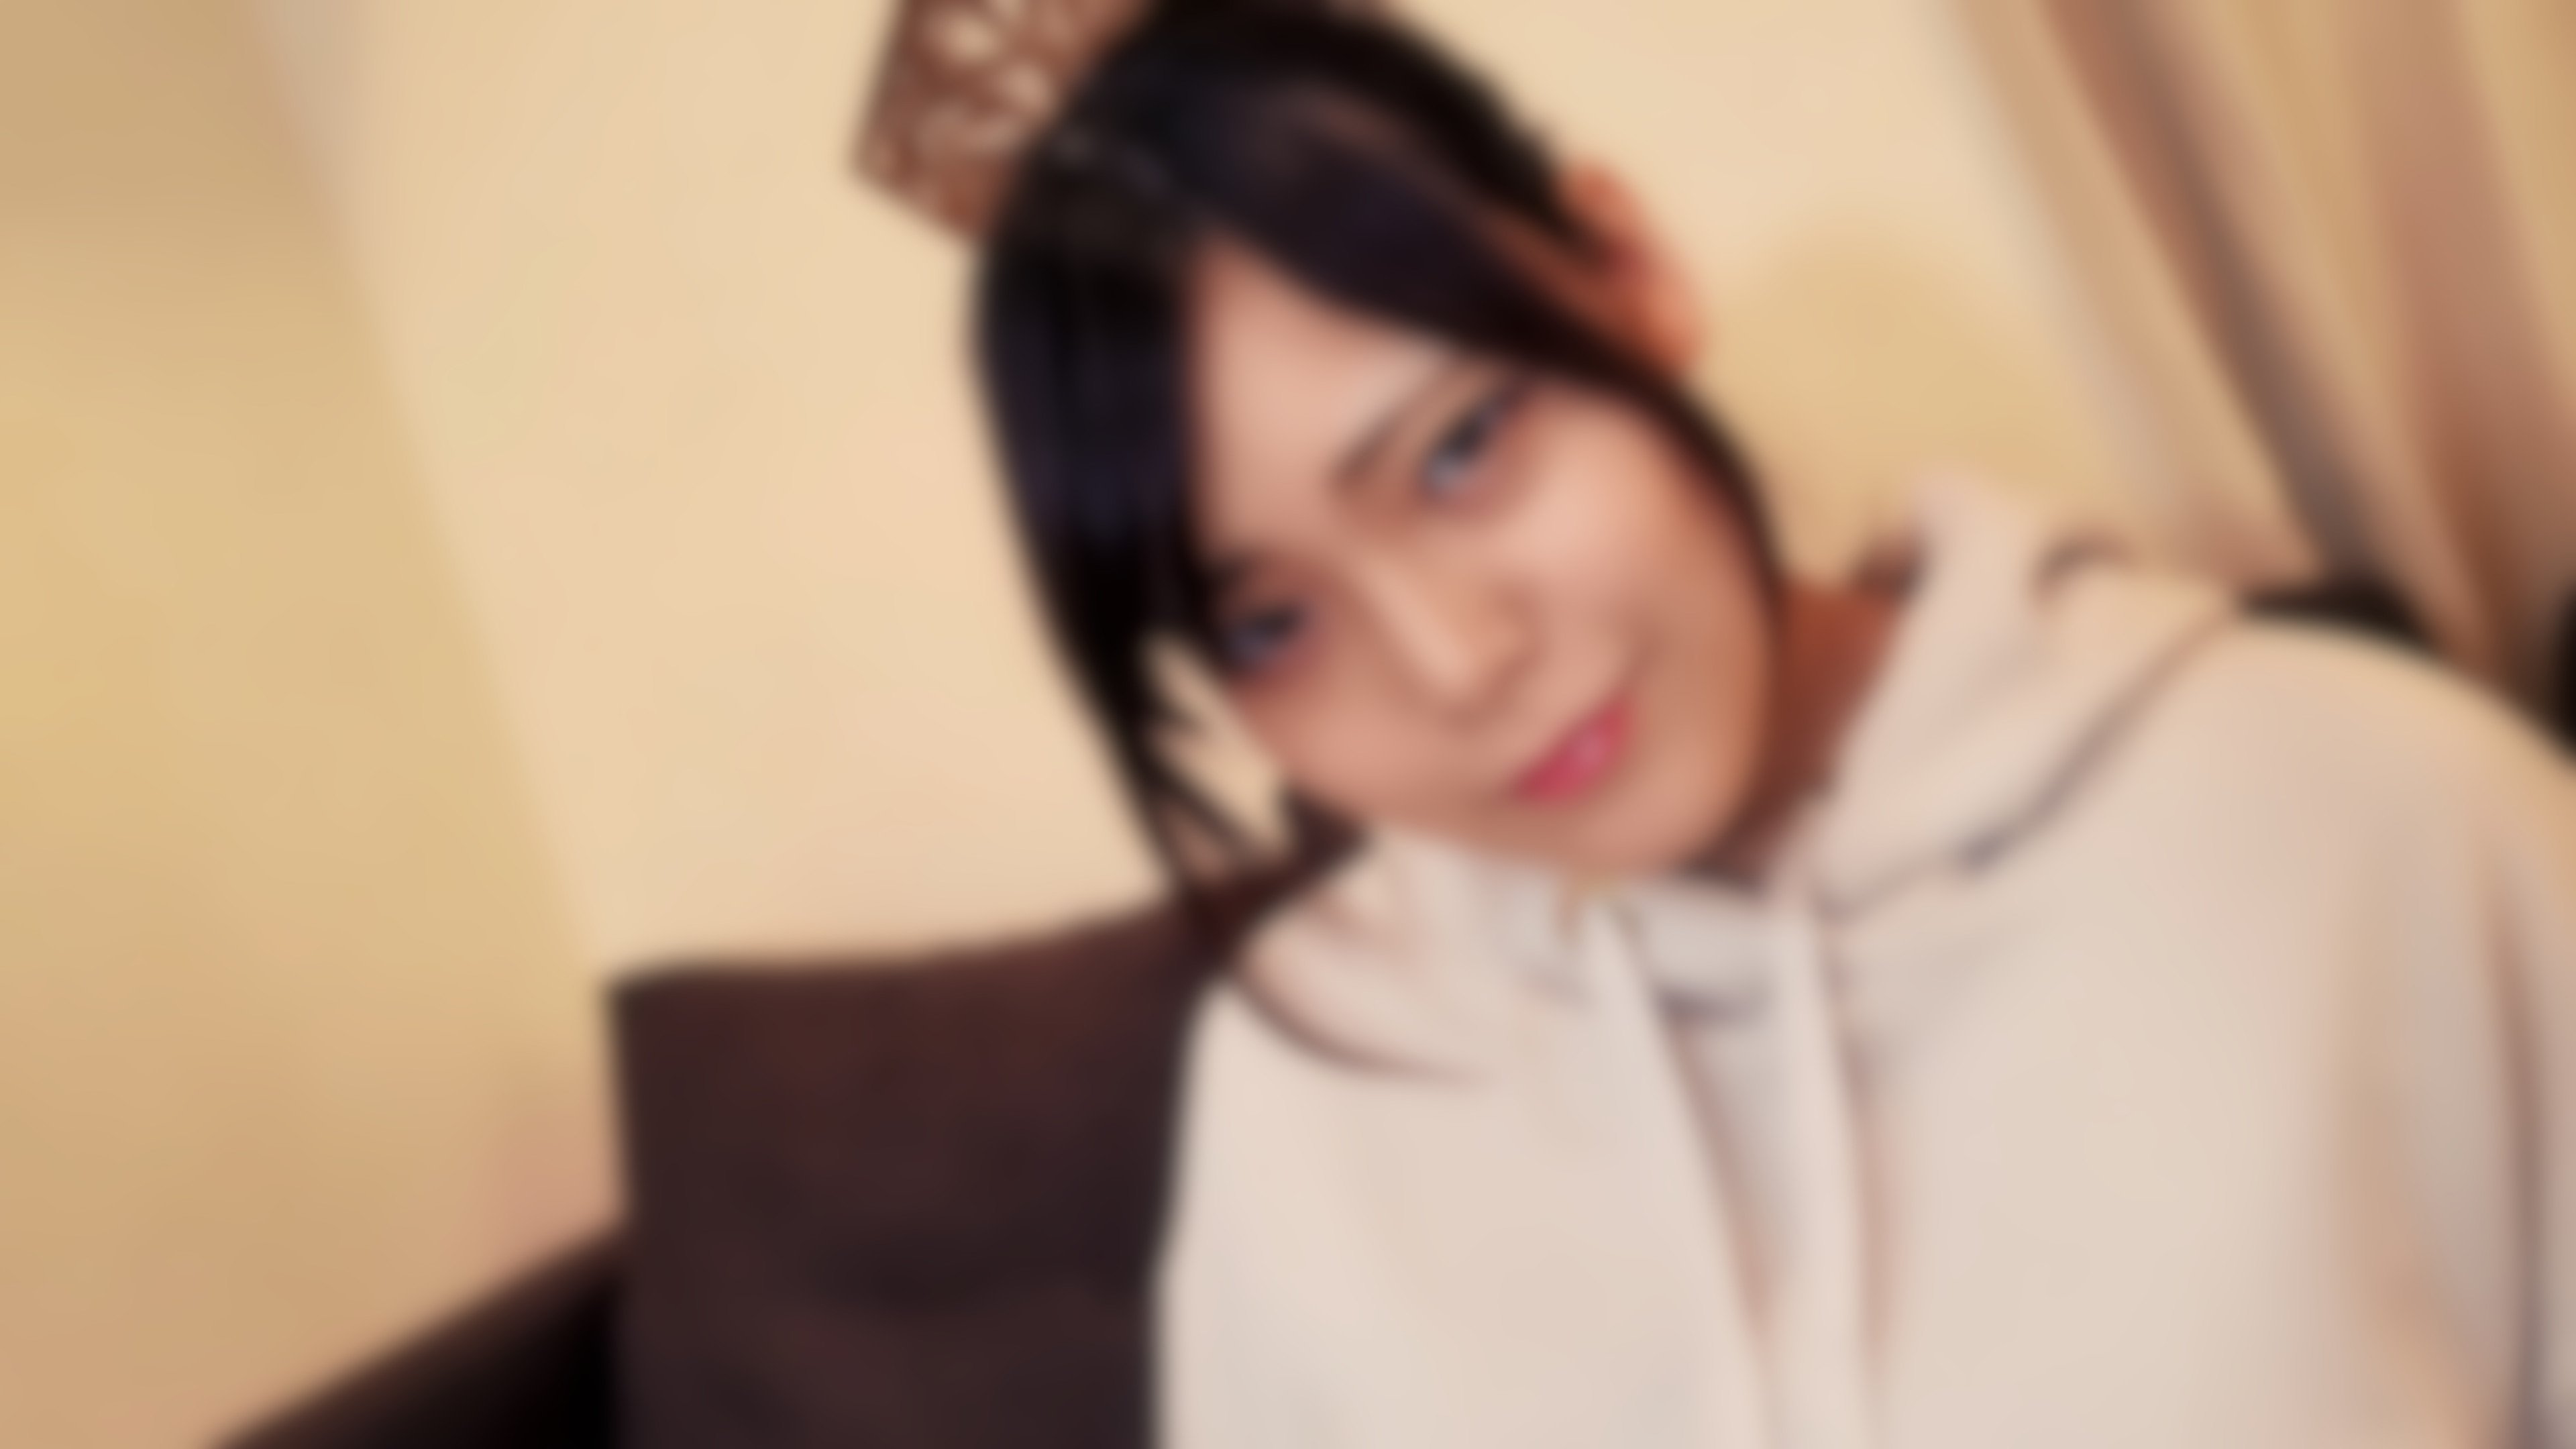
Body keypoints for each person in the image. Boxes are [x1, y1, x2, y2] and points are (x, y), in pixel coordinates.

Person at [970, 3, 2576, 1446]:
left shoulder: (2388, 823)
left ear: (1630, 272)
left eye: (1463, 446)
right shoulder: (1308, 1076)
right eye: (1266, 625)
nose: (1454, 664)